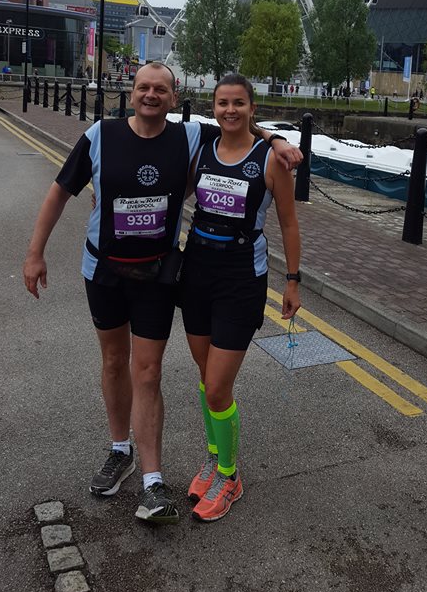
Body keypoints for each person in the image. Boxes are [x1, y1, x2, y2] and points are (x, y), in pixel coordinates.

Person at [23, 62, 300, 526]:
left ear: (175, 98)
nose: (151, 95)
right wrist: (35, 253)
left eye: (161, 89)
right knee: (115, 362)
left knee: (152, 371)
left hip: (160, 275)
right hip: (107, 269)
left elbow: (240, 127)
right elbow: (58, 193)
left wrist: (276, 140)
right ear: (130, 92)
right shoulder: (99, 135)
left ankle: (157, 482)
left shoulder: (190, 137)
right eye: (143, 87)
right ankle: (121, 451)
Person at [179, 74, 302, 523]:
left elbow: (288, 223)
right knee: (204, 375)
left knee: (217, 386)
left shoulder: (270, 159)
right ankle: (214, 459)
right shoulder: (202, 152)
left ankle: (229, 477)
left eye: (238, 103)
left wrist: (292, 280)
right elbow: (178, 196)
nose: (230, 110)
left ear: (253, 107)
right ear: (213, 108)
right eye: (222, 103)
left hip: (240, 278)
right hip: (196, 272)